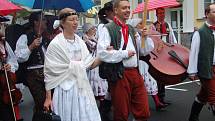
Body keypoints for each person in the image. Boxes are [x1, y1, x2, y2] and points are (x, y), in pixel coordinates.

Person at [97, 0, 153, 120]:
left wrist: (145, 37)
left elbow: (143, 51)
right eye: (124, 8)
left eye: (128, 7)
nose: (127, 10)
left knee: (143, 110)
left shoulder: (131, 29)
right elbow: (102, 53)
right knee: (121, 113)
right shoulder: (107, 29)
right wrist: (124, 53)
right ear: (116, 10)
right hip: (119, 74)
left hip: (135, 72)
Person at [43, 8, 101, 121]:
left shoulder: (80, 41)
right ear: (63, 23)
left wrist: (104, 55)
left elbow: (89, 64)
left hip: (82, 87)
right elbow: (49, 73)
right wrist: (48, 98)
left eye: (76, 19)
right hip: (65, 90)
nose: (75, 23)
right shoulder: (56, 44)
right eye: (71, 20)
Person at [15, 11, 48, 119]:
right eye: (42, 19)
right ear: (35, 22)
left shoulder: (46, 37)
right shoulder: (25, 37)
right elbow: (19, 57)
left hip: (48, 74)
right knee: (42, 102)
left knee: (47, 103)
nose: (45, 21)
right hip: (33, 75)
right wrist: (31, 46)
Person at [128, 18, 166, 111]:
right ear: (135, 26)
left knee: (150, 82)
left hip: (145, 63)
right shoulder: (133, 35)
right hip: (138, 63)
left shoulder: (141, 35)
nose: (142, 25)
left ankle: (157, 102)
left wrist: (146, 37)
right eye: (140, 24)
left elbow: (147, 49)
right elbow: (141, 52)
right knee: (139, 86)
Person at [187, 3, 215, 121]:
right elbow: (194, 52)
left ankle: (193, 117)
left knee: (203, 95)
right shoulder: (200, 32)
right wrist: (192, 71)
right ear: (207, 14)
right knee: (214, 97)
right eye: (214, 11)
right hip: (206, 70)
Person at [150, 7, 177, 105]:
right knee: (159, 75)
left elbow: (172, 38)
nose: (162, 14)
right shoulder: (153, 26)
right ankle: (159, 98)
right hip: (158, 52)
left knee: (165, 74)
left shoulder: (167, 25)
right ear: (156, 14)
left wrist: (174, 46)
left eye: (163, 13)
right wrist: (157, 34)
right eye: (160, 13)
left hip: (166, 51)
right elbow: (152, 40)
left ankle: (162, 97)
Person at [97, 2, 115, 121]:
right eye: (114, 10)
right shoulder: (102, 26)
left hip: (116, 59)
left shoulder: (115, 24)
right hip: (108, 61)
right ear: (108, 12)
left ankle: (105, 109)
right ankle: (104, 110)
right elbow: (104, 45)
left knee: (112, 88)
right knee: (112, 87)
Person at [0, 31, 21, 121]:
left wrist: (9, 66)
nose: (1, 28)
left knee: (9, 112)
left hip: (5, 83)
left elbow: (13, 61)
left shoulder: (3, 43)